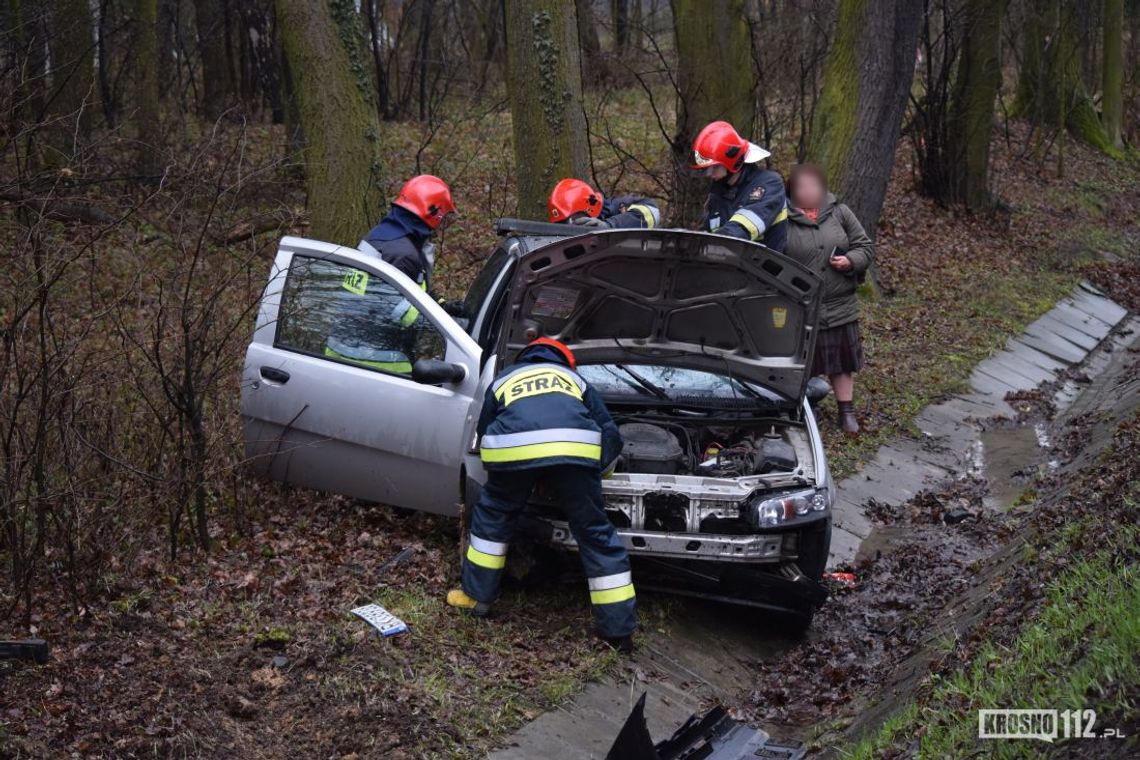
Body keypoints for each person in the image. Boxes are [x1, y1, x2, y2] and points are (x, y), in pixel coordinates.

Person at [446, 338, 637, 652]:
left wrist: (515, 477)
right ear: (565, 361)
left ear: (525, 358)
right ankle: (618, 632)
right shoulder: (575, 380)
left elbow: (484, 431)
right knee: (595, 532)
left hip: (514, 452)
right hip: (574, 454)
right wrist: (596, 470)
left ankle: (476, 598)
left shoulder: (504, 380)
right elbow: (611, 434)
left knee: (494, 518)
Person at [324, 175, 456, 373]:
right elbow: (404, 314)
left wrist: (441, 304)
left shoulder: (379, 235)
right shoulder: (404, 254)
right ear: (433, 212)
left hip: (338, 347)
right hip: (376, 358)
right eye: (442, 216)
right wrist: (446, 323)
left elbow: (397, 291)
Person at [783, 164, 873, 434]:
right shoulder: (782, 218)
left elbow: (864, 246)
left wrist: (851, 260)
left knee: (842, 362)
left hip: (839, 304)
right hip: (801, 306)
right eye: (802, 187)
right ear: (792, 191)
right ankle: (805, 408)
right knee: (802, 362)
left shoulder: (840, 212)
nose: (809, 191)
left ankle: (846, 413)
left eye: (814, 186)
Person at [691, 120, 788, 252]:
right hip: (728, 268)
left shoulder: (769, 184)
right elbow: (710, 233)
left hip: (762, 270)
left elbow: (741, 230)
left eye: (713, 168)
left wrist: (711, 242)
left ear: (733, 163)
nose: (709, 174)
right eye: (706, 169)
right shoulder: (718, 195)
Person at [547, 178, 660, 229]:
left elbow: (652, 211)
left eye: (574, 220)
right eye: (562, 223)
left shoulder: (614, 208)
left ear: (588, 209)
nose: (570, 227)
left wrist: (609, 226)